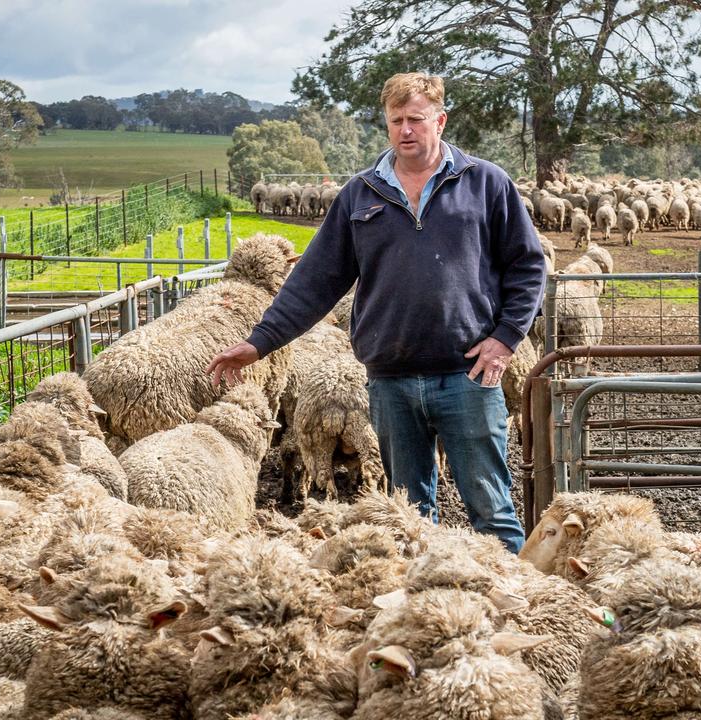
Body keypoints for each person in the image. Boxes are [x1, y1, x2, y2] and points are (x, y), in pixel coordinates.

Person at [206, 72, 546, 553]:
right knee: (406, 516)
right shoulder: (360, 194)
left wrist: (506, 337)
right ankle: (418, 612)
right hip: (390, 381)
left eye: (416, 119)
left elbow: (528, 265)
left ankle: (518, 609)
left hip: (467, 376)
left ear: (440, 121)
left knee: (490, 509)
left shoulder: (486, 183)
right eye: (396, 121)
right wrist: (259, 342)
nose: (406, 130)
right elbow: (315, 281)